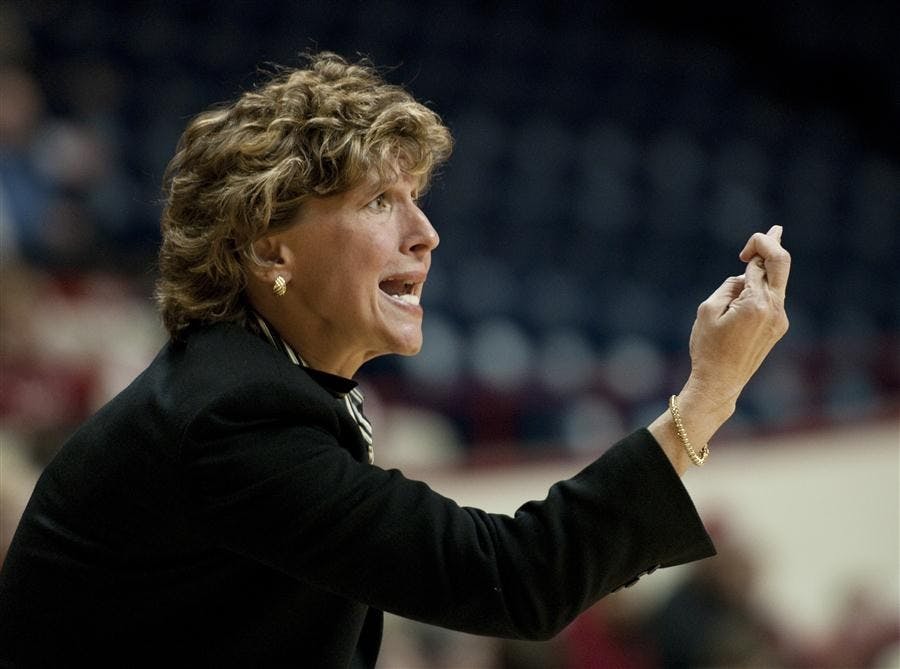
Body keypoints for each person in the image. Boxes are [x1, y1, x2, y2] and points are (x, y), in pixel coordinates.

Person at [0, 52, 791, 667]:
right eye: (380, 201)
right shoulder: (232, 416)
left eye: (417, 197)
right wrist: (709, 393)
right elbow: (516, 578)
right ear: (271, 247)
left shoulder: (259, 385)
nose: (425, 233)